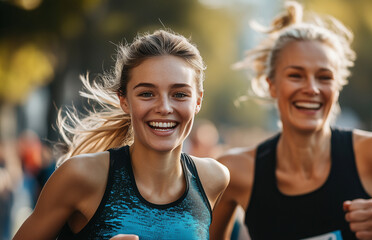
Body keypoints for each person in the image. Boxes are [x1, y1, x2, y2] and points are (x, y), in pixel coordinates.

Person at [210, 1, 372, 239]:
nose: (312, 89)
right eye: (296, 75)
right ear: (271, 85)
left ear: (337, 87)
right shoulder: (234, 173)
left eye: (324, 77)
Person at [13, 29, 229, 240]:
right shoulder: (81, 176)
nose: (164, 107)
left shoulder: (214, 179)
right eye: (147, 94)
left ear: (198, 100)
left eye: (180, 94)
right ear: (124, 100)